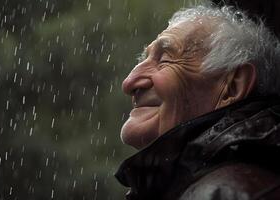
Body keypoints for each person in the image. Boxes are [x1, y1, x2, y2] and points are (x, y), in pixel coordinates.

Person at [115, 3, 280, 200]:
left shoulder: (226, 193)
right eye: (143, 59)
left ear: (233, 86)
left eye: (165, 59)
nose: (129, 83)